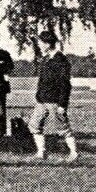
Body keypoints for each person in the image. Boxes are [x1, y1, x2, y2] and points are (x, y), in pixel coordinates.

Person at [28, 30, 78, 161]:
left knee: (63, 128)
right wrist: (38, 96)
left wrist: (62, 104)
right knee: (34, 125)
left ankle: (74, 153)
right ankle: (41, 151)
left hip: (55, 101)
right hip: (42, 100)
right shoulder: (46, 59)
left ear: (47, 44)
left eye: (40, 42)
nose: (39, 45)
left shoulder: (61, 60)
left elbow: (65, 84)